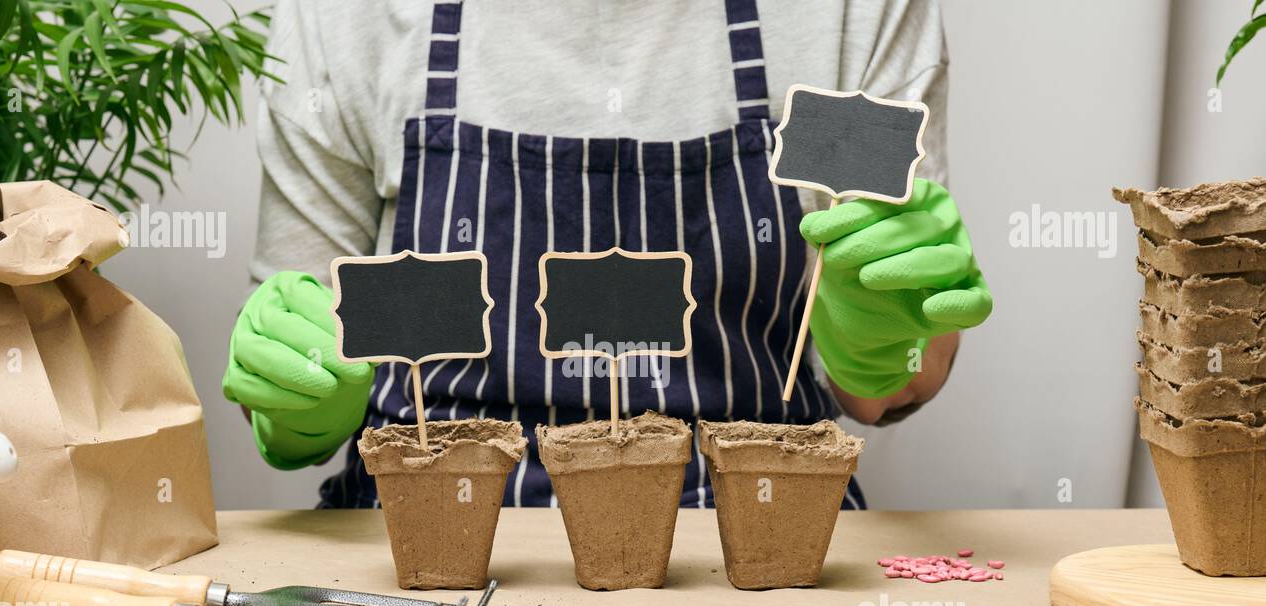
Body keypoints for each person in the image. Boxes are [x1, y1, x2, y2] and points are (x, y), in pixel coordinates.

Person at [222, 0, 992, 510]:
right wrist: (303, 402)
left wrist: (883, 337)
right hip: (426, 542)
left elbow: (898, 380)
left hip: (759, 545)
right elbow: (303, 330)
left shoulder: (837, 14)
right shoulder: (352, 14)